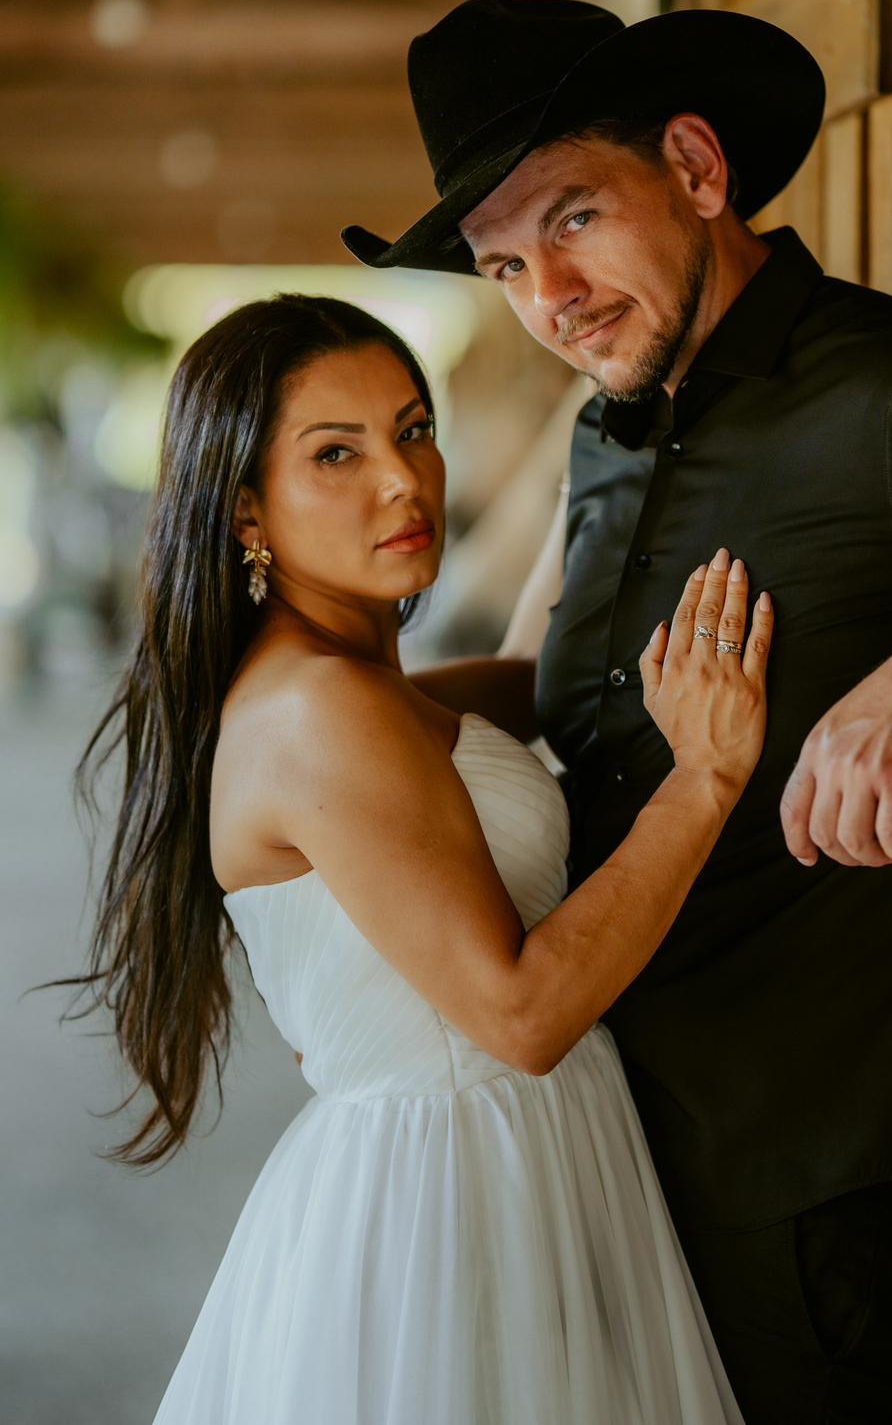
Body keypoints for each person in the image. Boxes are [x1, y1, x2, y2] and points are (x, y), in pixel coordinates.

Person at [342, 0, 892, 1422]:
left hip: (802, 1180)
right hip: (611, 1146)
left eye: (572, 218)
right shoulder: (608, 426)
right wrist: (315, 713)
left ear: (694, 166)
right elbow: (569, 687)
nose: (548, 294)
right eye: (505, 264)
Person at [78, 293, 776, 1423]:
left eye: (412, 429)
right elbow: (522, 1015)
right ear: (247, 508)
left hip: (514, 1158)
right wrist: (708, 781)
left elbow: (532, 680)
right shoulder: (314, 713)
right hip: (451, 1204)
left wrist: (599, 452)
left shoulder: (359, 688)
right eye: (336, 455)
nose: (402, 481)